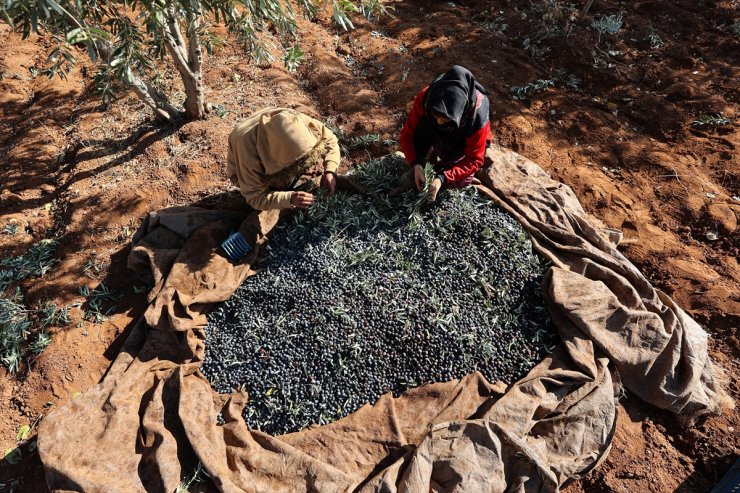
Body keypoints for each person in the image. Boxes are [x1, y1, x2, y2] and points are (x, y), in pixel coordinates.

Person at [394, 65, 491, 202]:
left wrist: (442, 178)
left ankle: (441, 171)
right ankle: (423, 164)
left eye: (445, 119)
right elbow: (407, 134)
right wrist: (415, 163)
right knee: (422, 128)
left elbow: (474, 159)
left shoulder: (477, 118)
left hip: (461, 138)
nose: (439, 122)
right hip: (441, 132)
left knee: (462, 178)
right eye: (436, 115)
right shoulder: (427, 97)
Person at [226, 107, 341, 210]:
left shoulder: (291, 119)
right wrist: (288, 199)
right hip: (243, 169)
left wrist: (330, 170)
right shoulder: (247, 153)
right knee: (276, 190)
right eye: (294, 164)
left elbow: (329, 139)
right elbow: (255, 197)